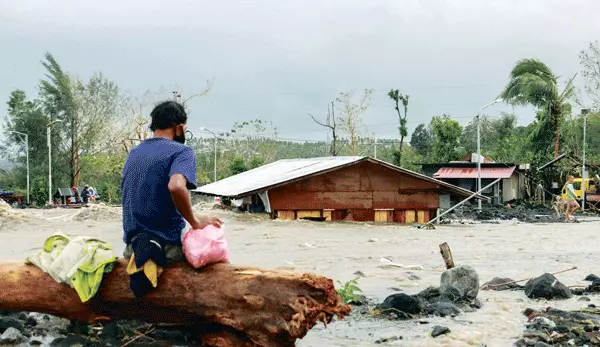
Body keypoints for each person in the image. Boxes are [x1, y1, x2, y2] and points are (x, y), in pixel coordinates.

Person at [121, 101, 222, 294]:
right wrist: (195, 221)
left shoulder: (134, 153)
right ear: (178, 128)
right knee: (210, 251)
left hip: (131, 248)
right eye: (185, 128)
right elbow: (176, 186)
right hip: (167, 250)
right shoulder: (182, 151)